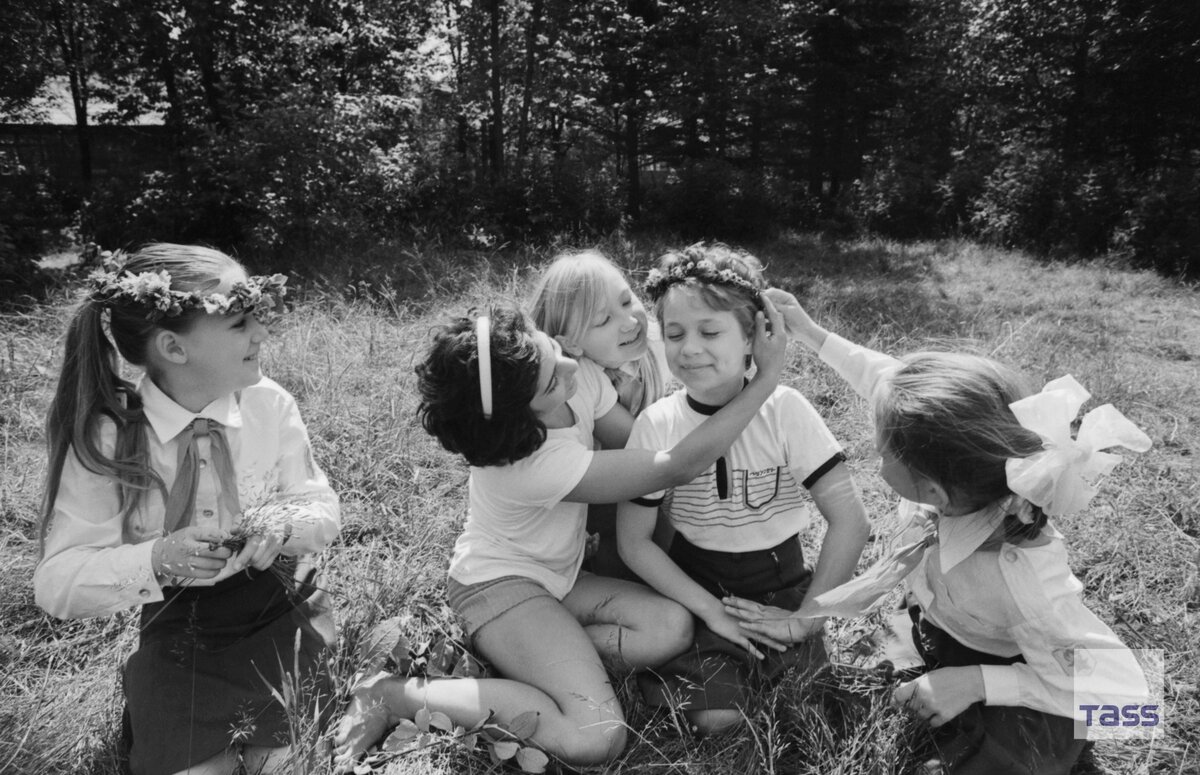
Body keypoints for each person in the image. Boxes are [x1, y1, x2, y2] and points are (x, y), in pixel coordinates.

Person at [333, 300, 787, 770]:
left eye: (553, 350)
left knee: (669, 626)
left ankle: (537, 661)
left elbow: (640, 441)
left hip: (561, 576)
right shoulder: (532, 466)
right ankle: (393, 694)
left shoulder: (574, 381)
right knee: (595, 738)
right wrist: (764, 383)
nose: (572, 365)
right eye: (552, 379)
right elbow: (675, 465)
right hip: (500, 585)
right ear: (522, 418)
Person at [725, 289, 1152, 774]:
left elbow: (1130, 696)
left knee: (992, 756)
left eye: (880, 448)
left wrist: (974, 682)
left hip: (1022, 672)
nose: (874, 450)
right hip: (938, 635)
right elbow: (883, 379)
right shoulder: (960, 465)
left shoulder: (1019, 575)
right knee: (848, 701)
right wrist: (810, 333)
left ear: (931, 490)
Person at [33, 244, 341, 775]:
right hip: (181, 631)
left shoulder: (269, 404)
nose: (261, 334)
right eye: (241, 322)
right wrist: (156, 560)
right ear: (175, 348)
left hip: (278, 609)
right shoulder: (113, 437)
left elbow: (321, 509)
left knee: (287, 762)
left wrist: (282, 525)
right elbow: (56, 584)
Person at [616, 244, 871, 735]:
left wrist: (806, 619)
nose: (689, 348)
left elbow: (851, 519)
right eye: (674, 334)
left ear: (754, 336)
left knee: (804, 711)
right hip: (700, 586)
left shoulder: (785, 409)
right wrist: (710, 611)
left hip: (784, 583)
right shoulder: (657, 424)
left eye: (710, 332)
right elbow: (633, 541)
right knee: (717, 719)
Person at [529, 249, 673, 579]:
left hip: (651, 471)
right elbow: (631, 442)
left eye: (626, 300)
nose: (630, 321)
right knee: (615, 552)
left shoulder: (657, 345)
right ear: (572, 344)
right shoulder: (574, 383)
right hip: (593, 490)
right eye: (603, 320)